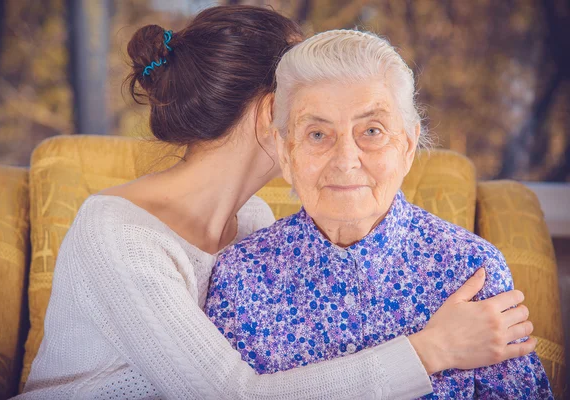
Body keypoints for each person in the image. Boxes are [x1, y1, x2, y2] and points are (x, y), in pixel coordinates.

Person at [18, 7, 536, 399]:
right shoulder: (119, 235)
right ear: (275, 114)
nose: (344, 156)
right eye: (315, 121)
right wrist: (431, 350)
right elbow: (229, 395)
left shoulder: (251, 222)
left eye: (372, 129)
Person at [204, 30, 552, 399]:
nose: (345, 161)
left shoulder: (471, 269)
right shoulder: (239, 276)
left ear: (407, 145)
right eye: (318, 135)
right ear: (285, 151)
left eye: (372, 131)